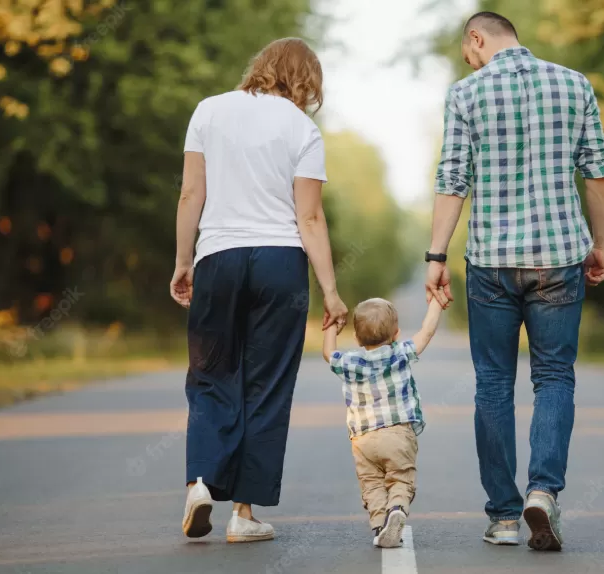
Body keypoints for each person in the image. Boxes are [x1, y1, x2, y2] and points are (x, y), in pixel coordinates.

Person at [426, 12, 604, 550]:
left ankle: (505, 516)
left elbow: (452, 177)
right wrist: (599, 244)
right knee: (554, 376)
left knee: (492, 384)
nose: (470, 60)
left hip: (492, 261)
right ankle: (543, 493)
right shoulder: (575, 84)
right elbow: (596, 171)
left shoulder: (466, 94)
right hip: (559, 258)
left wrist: (436, 254)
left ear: (478, 39)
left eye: (469, 51)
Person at [169, 37, 348, 542]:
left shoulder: (208, 111)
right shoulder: (303, 128)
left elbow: (190, 193)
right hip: (280, 264)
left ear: (261, 68)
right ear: (306, 82)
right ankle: (243, 515)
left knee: (210, 374)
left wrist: (185, 261)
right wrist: (331, 291)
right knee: (266, 387)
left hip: (219, 258)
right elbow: (309, 217)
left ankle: (201, 482)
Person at [323, 297, 444, 548]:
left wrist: (332, 326)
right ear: (396, 334)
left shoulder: (350, 363)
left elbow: (328, 354)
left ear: (357, 339)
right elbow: (427, 331)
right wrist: (435, 303)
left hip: (363, 439)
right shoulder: (400, 353)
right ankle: (397, 508)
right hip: (399, 433)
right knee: (400, 477)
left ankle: (380, 525)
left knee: (371, 483)